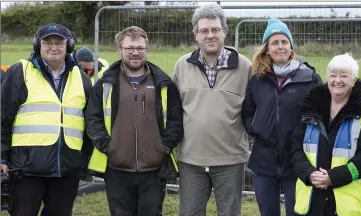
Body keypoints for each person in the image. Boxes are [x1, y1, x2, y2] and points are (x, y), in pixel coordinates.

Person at [85, 25, 183, 215]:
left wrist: (164, 147)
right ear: (119, 50)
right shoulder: (105, 84)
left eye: (140, 48)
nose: (135, 53)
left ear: (146, 50)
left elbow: (175, 120)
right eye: (129, 48)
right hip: (116, 168)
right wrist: (108, 147)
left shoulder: (164, 84)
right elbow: (93, 120)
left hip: (153, 169)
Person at [1, 23, 93, 216]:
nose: (53, 47)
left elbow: (88, 124)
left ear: (69, 45)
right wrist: (1, 157)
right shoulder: (20, 72)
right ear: (37, 45)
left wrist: (82, 160)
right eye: (47, 42)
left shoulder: (82, 79)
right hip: (26, 169)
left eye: (58, 42)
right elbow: (2, 117)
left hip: (67, 169)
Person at [172, 3, 252, 216]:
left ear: (224, 31)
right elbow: (173, 111)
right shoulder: (181, 66)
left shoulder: (245, 67)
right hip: (191, 160)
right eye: (204, 31)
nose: (210, 35)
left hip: (230, 161)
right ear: (196, 35)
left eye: (215, 30)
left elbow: (253, 110)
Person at [241, 18, 322, 216]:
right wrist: (256, 127)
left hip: (297, 160)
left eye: (284, 42)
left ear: (291, 47)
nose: (280, 46)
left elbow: (320, 113)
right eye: (274, 42)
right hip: (264, 160)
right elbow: (247, 111)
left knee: (297, 212)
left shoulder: (309, 78)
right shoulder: (257, 79)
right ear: (266, 49)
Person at [290, 53, 361, 216]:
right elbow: (296, 149)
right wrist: (309, 174)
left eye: (344, 75)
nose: (337, 80)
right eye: (333, 75)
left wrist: (334, 177)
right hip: (312, 198)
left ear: (354, 80)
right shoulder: (310, 110)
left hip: (348, 204)